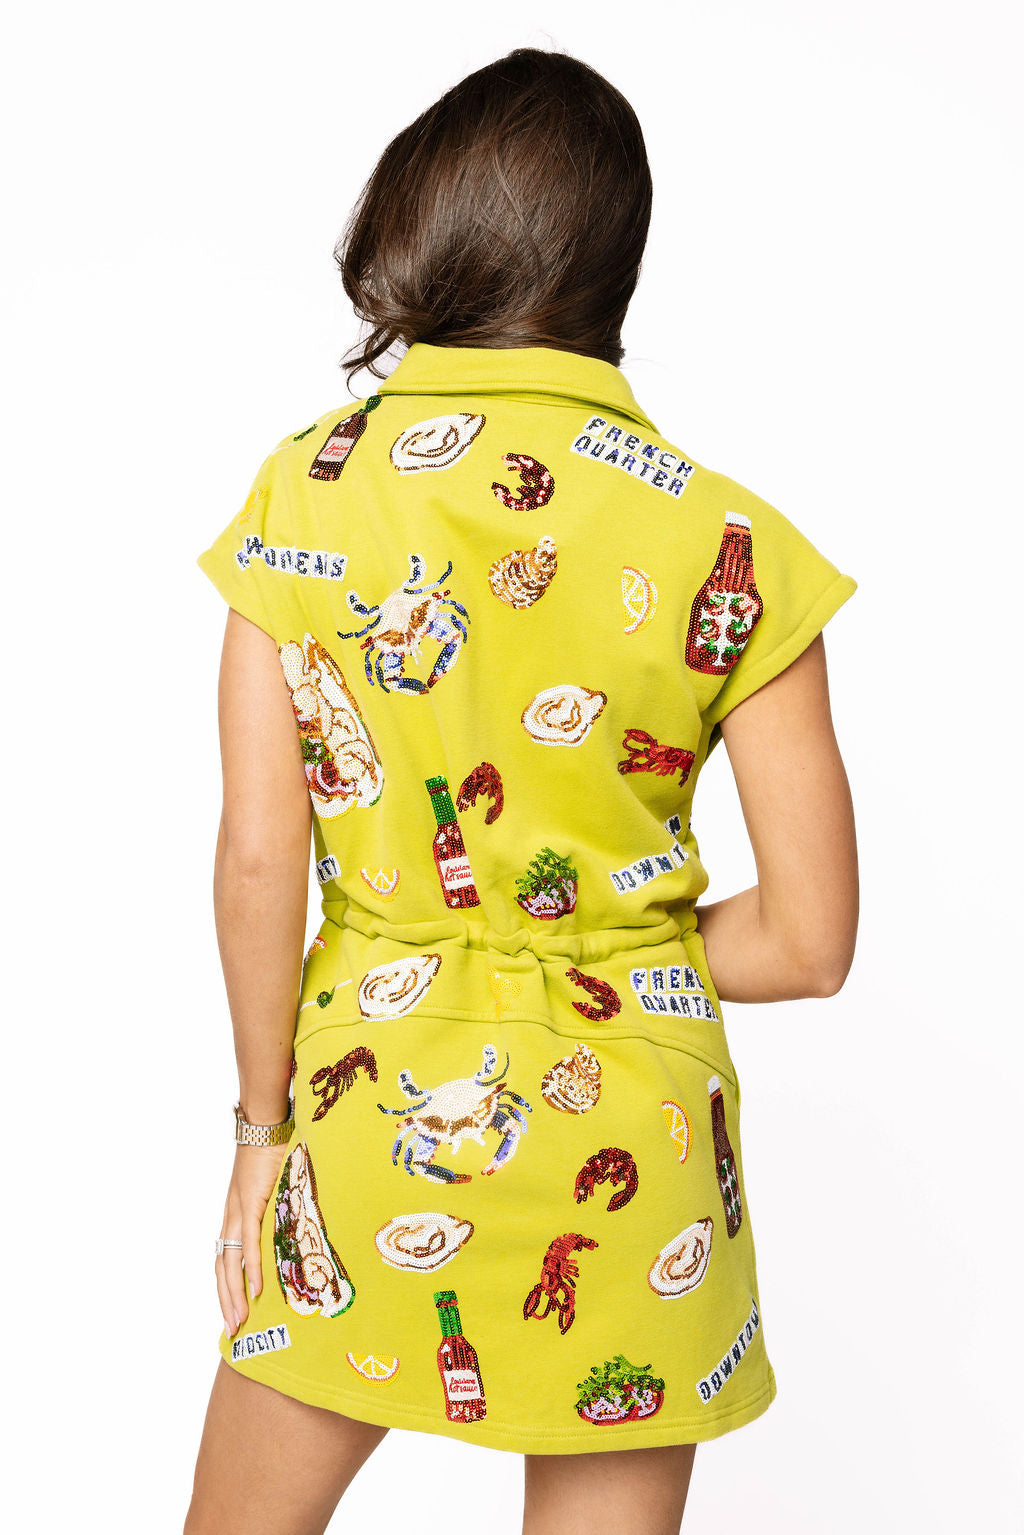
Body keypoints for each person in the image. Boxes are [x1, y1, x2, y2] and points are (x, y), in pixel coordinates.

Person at [184, 45, 858, 1535]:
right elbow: (810, 945)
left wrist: (260, 1135)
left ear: (418, 223)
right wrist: (608, 956)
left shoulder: (307, 492)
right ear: (618, 264)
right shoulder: (731, 544)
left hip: (370, 1111)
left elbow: (258, 857)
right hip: (638, 1150)